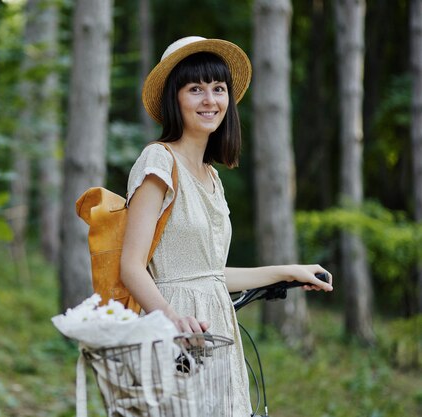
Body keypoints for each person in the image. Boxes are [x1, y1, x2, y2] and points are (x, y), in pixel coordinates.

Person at [120, 36, 334, 416]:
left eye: (218, 89)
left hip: (215, 330)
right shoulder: (157, 161)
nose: (210, 100)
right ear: (175, 98)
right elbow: (132, 266)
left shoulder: (211, 177)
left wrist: (288, 271)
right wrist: (173, 322)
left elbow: (209, 275)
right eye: (195, 89)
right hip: (174, 332)